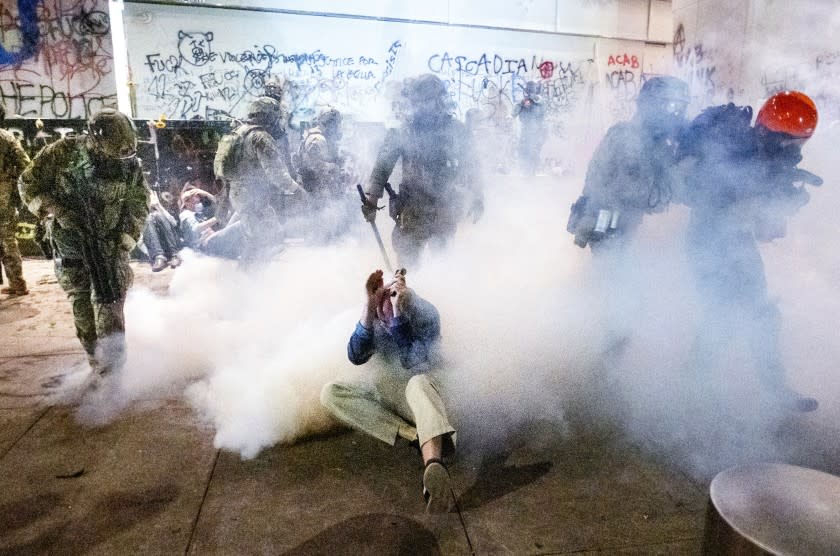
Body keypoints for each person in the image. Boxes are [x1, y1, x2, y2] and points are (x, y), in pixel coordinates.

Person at [678, 91, 821, 412]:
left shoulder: (766, 157)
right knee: (721, 317)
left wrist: (785, 198)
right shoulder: (734, 154)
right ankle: (693, 390)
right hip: (709, 242)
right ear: (778, 137)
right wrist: (777, 196)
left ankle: (776, 391)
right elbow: (723, 200)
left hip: (737, 242)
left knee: (764, 316)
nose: (797, 152)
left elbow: (764, 225)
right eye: (795, 143)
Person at [18, 108, 149, 382]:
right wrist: (57, 211)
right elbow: (27, 185)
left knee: (109, 308)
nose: (120, 156)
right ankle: (94, 360)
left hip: (110, 248)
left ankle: (113, 378)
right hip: (71, 247)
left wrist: (127, 238)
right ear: (95, 139)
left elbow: (140, 201)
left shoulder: (128, 162)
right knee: (83, 312)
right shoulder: (61, 153)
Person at [321, 269, 457, 513]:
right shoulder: (375, 319)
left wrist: (398, 319)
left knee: (417, 383)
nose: (388, 300)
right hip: (397, 397)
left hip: (432, 394)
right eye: (384, 295)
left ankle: (433, 467)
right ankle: (420, 435)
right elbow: (355, 355)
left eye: (393, 293)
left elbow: (413, 360)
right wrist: (368, 306)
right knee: (331, 392)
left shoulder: (425, 313)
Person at [362, 74, 483, 266]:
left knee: (443, 263)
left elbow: (472, 164)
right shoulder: (404, 130)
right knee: (407, 266)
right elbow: (383, 165)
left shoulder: (456, 130)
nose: (425, 106)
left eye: (430, 100)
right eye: (420, 101)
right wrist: (372, 198)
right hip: (412, 208)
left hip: (445, 208)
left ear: (439, 100)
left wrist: (478, 196)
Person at [568, 76, 690, 253]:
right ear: (650, 105)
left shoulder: (657, 143)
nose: (676, 115)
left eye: (680, 108)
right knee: (611, 271)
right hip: (610, 226)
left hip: (625, 225)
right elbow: (632, 191)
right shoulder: (627, 137)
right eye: (671, 107)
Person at [214, 96, 306, 260]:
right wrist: (297, 190)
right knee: (260, 243)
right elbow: (277, 174)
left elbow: (224, 175)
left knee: (267, 238)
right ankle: (247, 279)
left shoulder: (236, 134)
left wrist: (225, 202)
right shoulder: (260, 138)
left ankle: (253, 276)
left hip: (240, 195)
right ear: (268, 116)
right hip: (253, 198)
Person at [0, 102, 32, 296]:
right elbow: (25, 165)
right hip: (3, 194)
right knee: (8, 238)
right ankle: (17, 283)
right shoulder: (7, 137)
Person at [512, 80, 546, 176]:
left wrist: (532, 100)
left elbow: (541, 115)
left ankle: (532, 171)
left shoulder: (539, 102)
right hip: (525, 130)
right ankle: (525, 171)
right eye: (529, 89)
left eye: (532, 89)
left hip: (534, 130)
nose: (531, 92)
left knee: (533, 151)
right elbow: (517, 108)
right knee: (524, 151)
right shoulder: (523, 102)